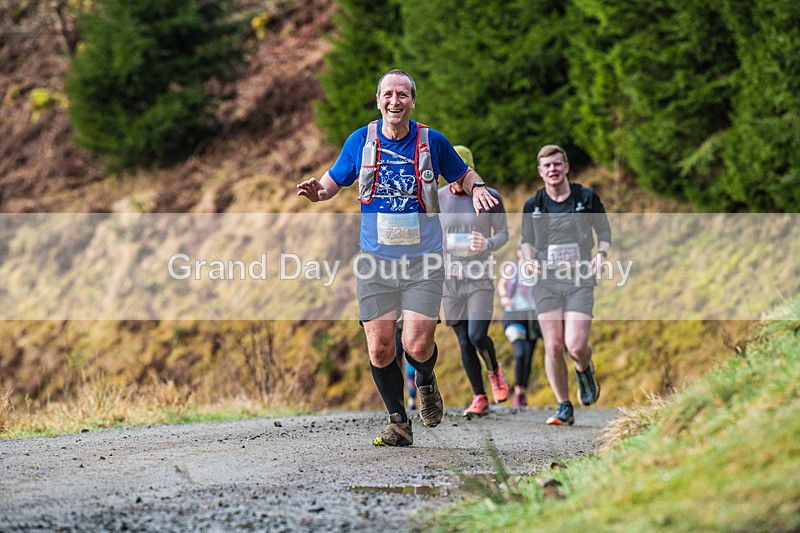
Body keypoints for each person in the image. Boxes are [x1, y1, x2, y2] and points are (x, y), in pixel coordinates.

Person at [296, 69, 499, 446]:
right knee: (380, 347)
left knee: (416, 345)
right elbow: (332, 181)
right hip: (376, 261)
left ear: (413, 101)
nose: (395, 101)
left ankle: (426, 379)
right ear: (378, 101)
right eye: (388, 94)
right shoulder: (360, 141)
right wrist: (317, 193)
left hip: (424, 260)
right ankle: (398, 422)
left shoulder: (432, 141)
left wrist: (479, 189)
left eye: (402, 94)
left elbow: (464, 174)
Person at [520, 144, 611, 426]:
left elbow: (604, 231)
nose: (553, 169)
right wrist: (528, 261)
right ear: (540, 171)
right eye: (547, 166)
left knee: (576, 345)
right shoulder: (533, 205)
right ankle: (564, 405)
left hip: (579, 280)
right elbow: (526, 242)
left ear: (566, 167)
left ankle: (584, 368)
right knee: (554, 345)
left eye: (557, 164)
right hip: (546, 282)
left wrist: (601, 255)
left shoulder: (586, 197)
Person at [438, 145, 510, 417]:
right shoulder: (438, 198)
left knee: (477, 335)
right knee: (464, 342)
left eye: (461, 173)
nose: (456, 180)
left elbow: (503, 233)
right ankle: (479, 397)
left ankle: (494, 371)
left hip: (479, 278)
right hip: (450, 281)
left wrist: (487, 243)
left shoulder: (490, 196)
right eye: (451, 173)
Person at [497, 244, 543, 407]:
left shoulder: (538, 269)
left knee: (529, 355)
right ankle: (515, 390)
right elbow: (502, 284)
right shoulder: (513, 268)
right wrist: (504, 297)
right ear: (518, 253)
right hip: (513, 315)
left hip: (532, 317)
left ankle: (521, 393)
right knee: (521, 352)